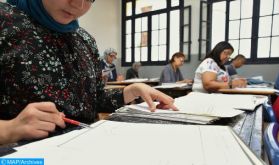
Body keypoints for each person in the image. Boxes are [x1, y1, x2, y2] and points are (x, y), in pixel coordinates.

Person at [0, 0, 177, 144]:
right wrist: (10, 129)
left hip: (83, 148)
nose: (79, 4)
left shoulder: (84, 39)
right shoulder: (5, 22)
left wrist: (131, 91)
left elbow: (94, 100)